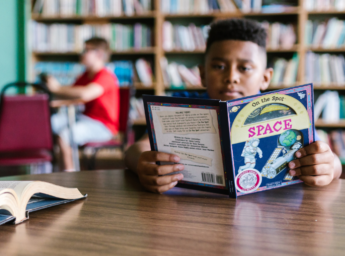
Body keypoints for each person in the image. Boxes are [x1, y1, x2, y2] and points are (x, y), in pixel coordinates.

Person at [125, 19, 343, 193]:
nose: (231, 77)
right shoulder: (180, 105)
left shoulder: (283, 110)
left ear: (265, 78)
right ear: (201, 74)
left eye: (245, 68)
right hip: (193, 207)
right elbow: (137, 149)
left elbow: (330, 161)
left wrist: (329, 167)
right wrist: (143, 164)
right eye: (219, 66)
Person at [42, 38, 119, 171]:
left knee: (65, 135)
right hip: (84, 118)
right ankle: (45, 169)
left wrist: (56, 88)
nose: (82, 54)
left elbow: (85, 94)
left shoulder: (106, 76)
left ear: (99, 54)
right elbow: (71, 95)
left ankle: (69, 174)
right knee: (48, 123)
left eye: (86, 50)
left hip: (102, 125)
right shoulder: (85, 76)